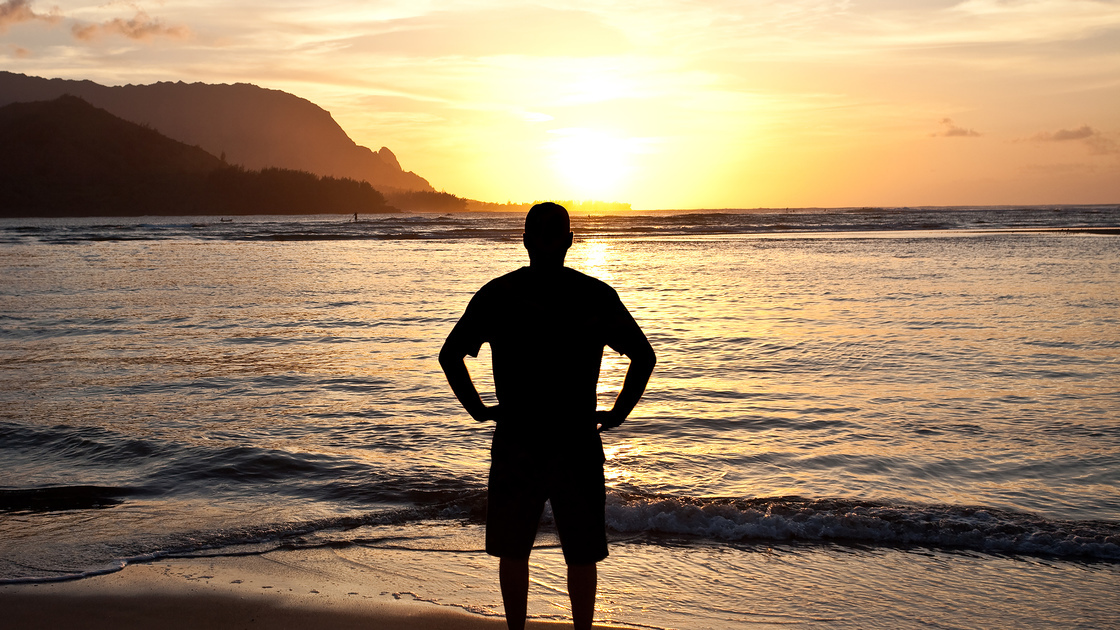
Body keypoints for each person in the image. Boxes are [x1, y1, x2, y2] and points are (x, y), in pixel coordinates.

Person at [439, 202, 656, 630]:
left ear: (525, 241)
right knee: (582, 551)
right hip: (576, 436)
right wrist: (617, 414)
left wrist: (480, 411)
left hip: (518, 436)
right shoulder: (595, 295)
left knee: (514, 549)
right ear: (570, 241)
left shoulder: (499, 294)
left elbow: (450, 356)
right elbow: (643, 357)